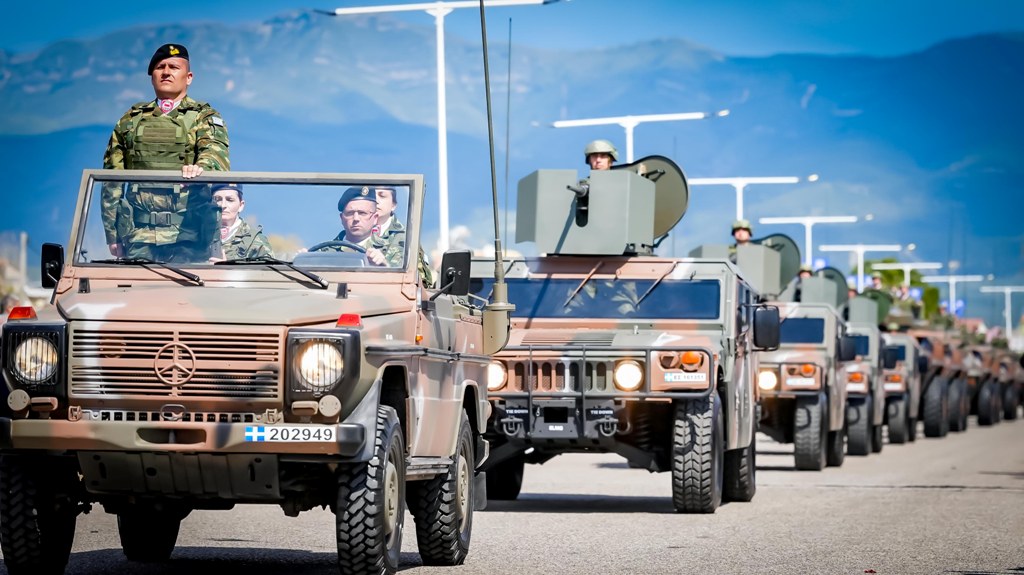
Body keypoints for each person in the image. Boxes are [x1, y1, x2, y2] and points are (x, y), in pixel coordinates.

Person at [101, 43, 230, 260]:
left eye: (174, 67)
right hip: (139, 236)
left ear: (188, 77)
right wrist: (112, 234)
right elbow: (111, 180)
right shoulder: (131, 120)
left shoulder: (203, 117)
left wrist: (200, 168)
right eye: (160, 67)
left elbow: (216, 157)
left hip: (190, 235)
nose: (166, 72)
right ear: (152, 77)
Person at [374, 187, 433, 285]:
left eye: (382, 196)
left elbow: (421, 284)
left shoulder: (406, 239)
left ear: (393, 205)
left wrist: (386, 265)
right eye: (372, 196)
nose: (376, 200)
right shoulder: (351, 236)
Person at [319, 187, 391, 267]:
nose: (356, 219)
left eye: (362, 213)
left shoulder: (392, 249)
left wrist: (384, 266)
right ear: (342, 218)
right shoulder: (323, 254)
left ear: (375, 218)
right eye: (350, 213)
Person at [211, 184, 273, 261]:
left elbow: (270, 267)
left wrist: (227, 267)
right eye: (217, 199)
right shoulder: (201, 235)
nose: (223, 205)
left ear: (241, 205)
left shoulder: (254, 240)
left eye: (230, 200)